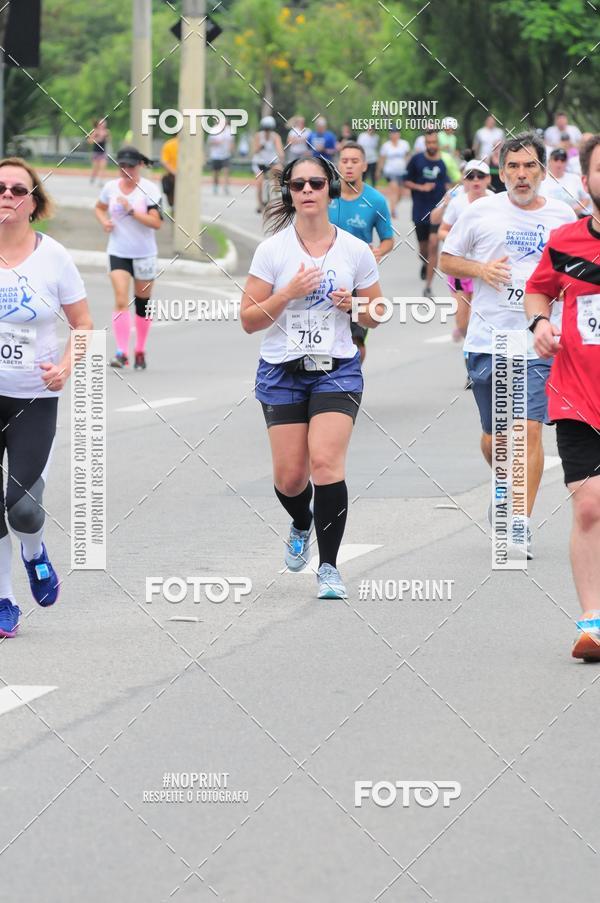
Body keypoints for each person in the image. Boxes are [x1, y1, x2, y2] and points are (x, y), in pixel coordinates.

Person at [240, 155, 383, 599]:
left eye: (315, 183)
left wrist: (352, 306)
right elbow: (248, 319)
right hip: (282, 371)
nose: (306, 190)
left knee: (325, 464)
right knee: (290, 478)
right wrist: (288, 292)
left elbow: (378, 312)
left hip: (336, 370)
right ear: (289, 192)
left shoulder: (354, 250)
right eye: (297, 184)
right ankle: (301, 521)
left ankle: (329, 568)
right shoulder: (273, 251)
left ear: (329, 189)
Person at [440, 131, 577, 557]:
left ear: (542, 170)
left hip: (537, 339)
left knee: (529, 430)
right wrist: (480, 269)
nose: (521, 175)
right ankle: (504, 481)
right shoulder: (481, 212)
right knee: (494, 438)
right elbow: (446, 259)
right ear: (501, 172)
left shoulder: (561, 216)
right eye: (513, 167)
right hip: (487, 338)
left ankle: (520, 519)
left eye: (529, 166)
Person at [0, 158, 92, 638]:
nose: (7, 196)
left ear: (34, 202)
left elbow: (82, 325)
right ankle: (4, 599)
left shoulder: (53, 256)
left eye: (19, 189)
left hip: (34, 397)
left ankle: (35, 553)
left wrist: (64, 368)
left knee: (23, 508)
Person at [525, 134, 600, 660]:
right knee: (591, 507)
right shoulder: (566, 242)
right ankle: (593, 624)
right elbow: (538, 289)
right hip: (577, 392)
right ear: (587, 180)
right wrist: (540, 320)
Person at [95, 146, 162, 370]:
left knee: (142, 303)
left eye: (130, 166)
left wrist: (132, 211)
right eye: (121, 166)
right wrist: (104, 221)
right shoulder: (110, 188)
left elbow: (157, 222)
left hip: (144, 254)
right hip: (118, 252)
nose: (125, 170)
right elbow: (99, 207)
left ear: (140, 166)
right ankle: (121, 352)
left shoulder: (150, 189)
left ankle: (140, 349)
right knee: (121, 299)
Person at [329, 141, 394, 362]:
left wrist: (378, 252)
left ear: (364, 166)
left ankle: (351, 382)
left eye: (354, 161)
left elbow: (388, 240)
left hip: (357, 278)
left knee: (356, 340)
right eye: (344, 161)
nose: (349, 166)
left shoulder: (376, 200)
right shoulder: (325, 195)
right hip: (324, 275)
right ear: (338, 164)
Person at [438, 160, 493, 375]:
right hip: (461, 267)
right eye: (471, 176)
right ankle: (471, 357)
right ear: (465, 180)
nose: (476, 180)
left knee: (486, 316)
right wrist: (458, 240)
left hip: (487, 269)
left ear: (488, 179)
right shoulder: (458, 203)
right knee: (463, 321)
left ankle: (480, 367)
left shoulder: (497, 201)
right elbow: (442, 230)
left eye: (481, 176)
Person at [404, 130, 451, 297]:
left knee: (433, 245)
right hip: (419, 210)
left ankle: (428, 286)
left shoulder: (442, 163)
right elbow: (406, 181)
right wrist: (420, 187)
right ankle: (425, 264)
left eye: (434, 142)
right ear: (425, 143)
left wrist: (448, 194)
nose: (431, 146)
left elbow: (445, 183)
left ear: (438, 143)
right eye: (428, 143)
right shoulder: (416, 160)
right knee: (423, 248)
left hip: (436, 212)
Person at [538, 148, 590, 215]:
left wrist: (574, 211)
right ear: (549, 161)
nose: (559, 163)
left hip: (572, 217)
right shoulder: (541, 179)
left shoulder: (575, 179)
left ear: (566, 163)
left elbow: (586, 199)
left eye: (562, 160)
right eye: (556, 160)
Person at [251, 116, 284, 214]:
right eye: (265, 129)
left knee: (278, 171)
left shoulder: (275, 137)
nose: (267, 131)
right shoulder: (258, 136)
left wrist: (281, 157)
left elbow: (280, 150)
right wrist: (261, 146)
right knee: (260, 182)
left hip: (271, 162)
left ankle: (278, 197)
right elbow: (254, 151)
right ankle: (260, 204)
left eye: (269, 129)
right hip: (259, 162)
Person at [377, 127, 411, 217]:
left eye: (396, 133)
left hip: (402, 171)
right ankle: (392, 211)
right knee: (394, 190)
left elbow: (408, 157)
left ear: (399, 134)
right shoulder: (386, 146)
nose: (394, 135)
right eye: (392, 133)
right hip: (390, 171)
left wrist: (409, 168)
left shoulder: (404, 144)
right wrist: (379, 171)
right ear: (390, 134)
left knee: (400, 193)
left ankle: (394, 206)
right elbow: (382, 159)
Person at [207, 121, 234, 195]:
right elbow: (209, 142)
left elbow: (232, 141)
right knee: (216, 173)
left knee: (226, 171)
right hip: (215, 155)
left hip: (226, 155)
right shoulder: (214, 130)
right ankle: (215, 186)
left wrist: (231, 149)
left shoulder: (229, 130)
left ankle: (225, 186)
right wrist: (216, 142)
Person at [88, 118, 110, 184]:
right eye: (101, 123)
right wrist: (97, 139)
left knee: (103, 167)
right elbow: (89, 141)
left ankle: (101, 181)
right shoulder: (95, 131)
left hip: (103, 152)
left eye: (104, 123)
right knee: (95, 168)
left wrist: (105, 137)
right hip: (96, 152)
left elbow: (109, 140)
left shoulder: (107, 132)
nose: (103, 125)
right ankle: (93, 177)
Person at [160, 136, 178, 211]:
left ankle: (175, 220)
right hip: (174, 178)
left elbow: (164, 162)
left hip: (171, 176)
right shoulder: (190, 145)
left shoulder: (168, 144)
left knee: (173, 204)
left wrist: (175, 172)